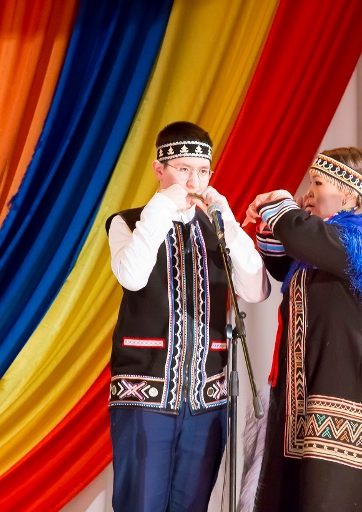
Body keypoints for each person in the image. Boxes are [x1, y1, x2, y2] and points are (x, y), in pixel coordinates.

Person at [105, 121, 271, 511]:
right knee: (139, 504)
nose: (193, 181)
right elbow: (132, 275)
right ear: (159, 169)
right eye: (183, 169)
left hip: (206, 401)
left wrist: (228, 222)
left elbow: (256, 289)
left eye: (202, 171)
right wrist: (162, 206)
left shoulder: (218, 229)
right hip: (145, 396)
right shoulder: (127, 222)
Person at [243, 147, 362, 511]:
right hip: (306, 386)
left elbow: (306, 238)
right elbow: (285, 259)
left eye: (317, 183)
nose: (308, 193)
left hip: (343, 384)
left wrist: (281, 206)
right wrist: (272, 218)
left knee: (335, 492)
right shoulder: (323, 244)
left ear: (348, 192)